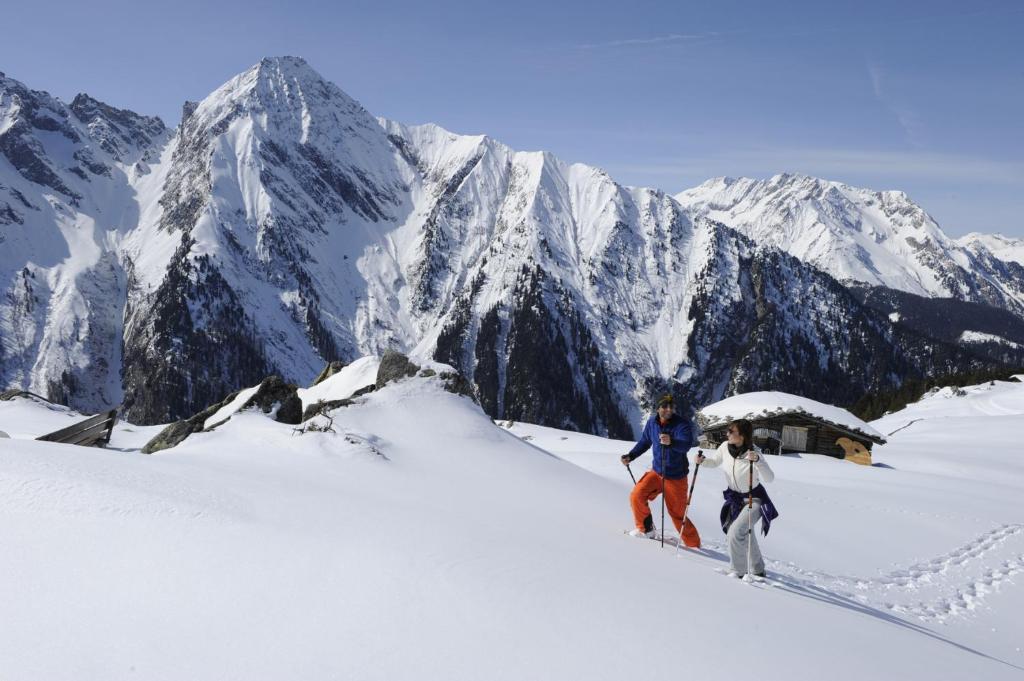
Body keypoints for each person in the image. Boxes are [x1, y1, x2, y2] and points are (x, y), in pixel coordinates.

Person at [696, 419, 779, 578]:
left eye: (731, 431)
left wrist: (758, 461)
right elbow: (714, 462)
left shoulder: (753, 452)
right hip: (735, 499)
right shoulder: (724, 447)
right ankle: (758, 569)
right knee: (746, 533)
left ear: (742, 436)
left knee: (735, 533)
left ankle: (737, 572)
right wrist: (703, 461)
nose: (727, 433)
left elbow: (769, 478)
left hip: (754, 499)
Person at [620, 394, 701, 548]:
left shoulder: (681, 424)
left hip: (676, 477)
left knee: (677, 515)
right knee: (637, 495)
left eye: (671, 406)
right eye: (665, 406)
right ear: (657, 408)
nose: (669, 409)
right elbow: (645, 441)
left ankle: (694, 545)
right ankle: (646, 530)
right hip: (657, 473)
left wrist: (672, 442)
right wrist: (631, 455)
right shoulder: (652, 423)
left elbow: (686, 445)